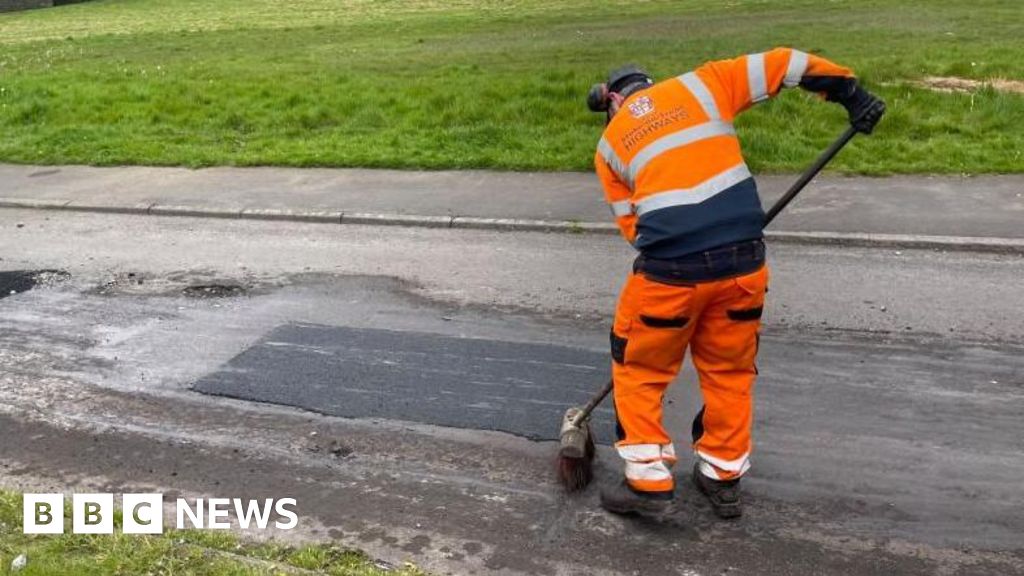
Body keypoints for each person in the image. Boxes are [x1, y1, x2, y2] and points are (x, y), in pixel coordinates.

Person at [588, 48, 884, 519]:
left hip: (670, 275)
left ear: (612, 102)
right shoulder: (701, 85)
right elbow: (787, 62)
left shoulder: (609, 146)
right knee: (729, 373)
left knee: (639, 369)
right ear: (651, 83)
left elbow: (633, 230)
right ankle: (722, 478)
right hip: (743, 264)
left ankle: (648, 483)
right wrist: (852, 94)